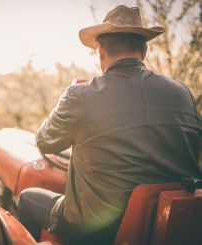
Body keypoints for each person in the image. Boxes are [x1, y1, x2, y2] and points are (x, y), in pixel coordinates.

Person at [18, 5, 202, 245]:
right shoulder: (182, 94)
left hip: (98, 229)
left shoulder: (81, 95)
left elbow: (45, 140)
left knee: (27, 198)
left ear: (100, 52)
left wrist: (71, 98)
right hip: (172, 225)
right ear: (144, 51)